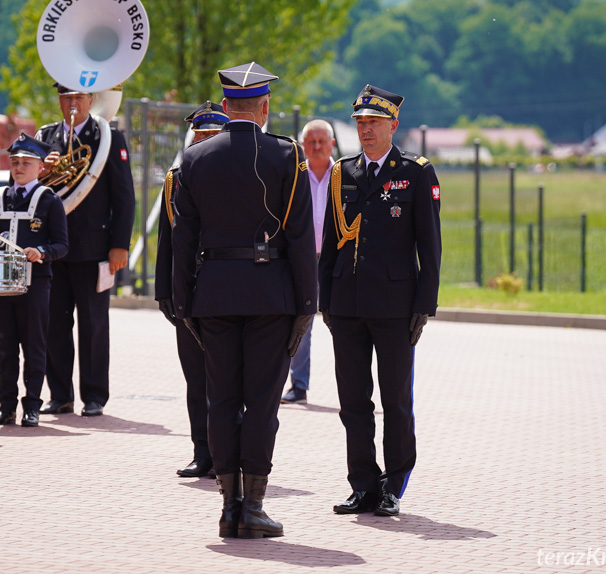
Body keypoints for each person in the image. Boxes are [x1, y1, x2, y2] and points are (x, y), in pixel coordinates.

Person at [173, 62, 317, 539]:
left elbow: (182, 242)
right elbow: (298, 237)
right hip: (269, 295)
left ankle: (228, 505)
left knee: (221, 401)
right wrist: (307, 304)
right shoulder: (286, 155)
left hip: (212, 293)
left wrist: (183, 304)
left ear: (227, 104)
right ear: (265, 106)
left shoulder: (194, 160)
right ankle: (252, 506)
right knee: (261, 403)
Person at [319, 84, 441, 517]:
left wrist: (423, 307)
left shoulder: (416, 172)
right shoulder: (341, 172)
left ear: (393, 125)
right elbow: (331, 242)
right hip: (347, 304)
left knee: (395, 401)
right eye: (360, 123)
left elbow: (430, 246)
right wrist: (324, 300)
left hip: (394, 307)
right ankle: (363, 485)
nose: (365, 130)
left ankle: (394, 483)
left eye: (373, 123)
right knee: (353, 401)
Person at [36, 83, 135, 418]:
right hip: (53, 248)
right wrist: (41, 172)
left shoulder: (108, 136)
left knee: (93, 324)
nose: (72, 103)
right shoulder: (45, 136)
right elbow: (31, 191)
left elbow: (124, 196)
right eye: (66, 97)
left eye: (78, 97)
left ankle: (94, 396)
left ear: (92, 100)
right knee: (54, 324)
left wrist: (119, 245)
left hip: (94, 248)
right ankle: (59, 394)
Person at [156, 101, 228, 478]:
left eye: (211, 135)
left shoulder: (234, 177)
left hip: (224, 287)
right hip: (189, 290)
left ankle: (228, 453)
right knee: (195, 377)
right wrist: (163, 291)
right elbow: (166, 240)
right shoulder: (175, 179)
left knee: (228, 377)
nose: (203, 141)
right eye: (199, 135)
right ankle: (202, 451)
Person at [0, 133, 68, 427]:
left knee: (33, 346)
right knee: (4, 348)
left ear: (40, 167)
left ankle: (32, 405)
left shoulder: (49, 201)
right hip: (1, 286)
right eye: (15, 162)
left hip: (34, 286)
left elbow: (62, 245)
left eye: (26, 163)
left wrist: (40, 251)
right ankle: (5, 406)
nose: (19, 167)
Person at [280, 119, 336, 405]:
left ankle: (354, 386)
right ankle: (298, 385)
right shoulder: (294, 175)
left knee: (345, 322)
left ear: (332, 145)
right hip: (301, 260)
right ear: (302, 145)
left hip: (335, 259)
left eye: (321, 142)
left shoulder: (344, 174)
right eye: (311, 142)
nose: (316, 147)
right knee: (300, 322)